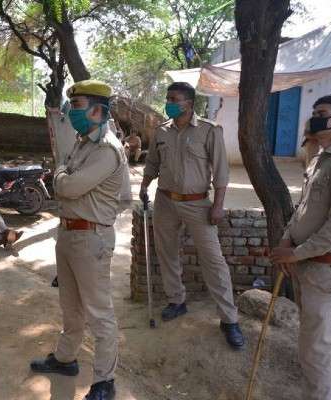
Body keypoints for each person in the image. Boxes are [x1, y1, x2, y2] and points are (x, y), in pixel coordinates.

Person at [30, 80, 126, 400]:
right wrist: (62, 176)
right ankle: (65, 359)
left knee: (99, 313)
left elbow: (67, 187)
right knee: (71, 307)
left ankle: (104, 381)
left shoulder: (107, 149)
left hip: (91, 237)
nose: (73, 111)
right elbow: (64, 178)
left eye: (79, 105)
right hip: (70, 232)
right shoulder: (84, 142)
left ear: (99, 110)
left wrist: (59, 176)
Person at [270, 93, 331, 400]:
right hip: (309, 262)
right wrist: (287, 239)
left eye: (322, 112)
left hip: (328, 266)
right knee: (313, 344)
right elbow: (304, 209)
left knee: (316, 347)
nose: (314, 119)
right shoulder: (322, 158)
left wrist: (295, 253)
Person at [139, 82, 244, 349]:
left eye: (174, 99)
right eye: (168, 98)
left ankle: (229, 319)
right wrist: (144, 185)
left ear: (189, 103)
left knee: (213, 260)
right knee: (167, 253)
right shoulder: (162, 131)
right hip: (165, 201)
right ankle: (177, 301)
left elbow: (221, 172)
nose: (169, 103)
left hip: (198, 204)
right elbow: (152, 162)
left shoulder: (209, 131)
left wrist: (218, 205)